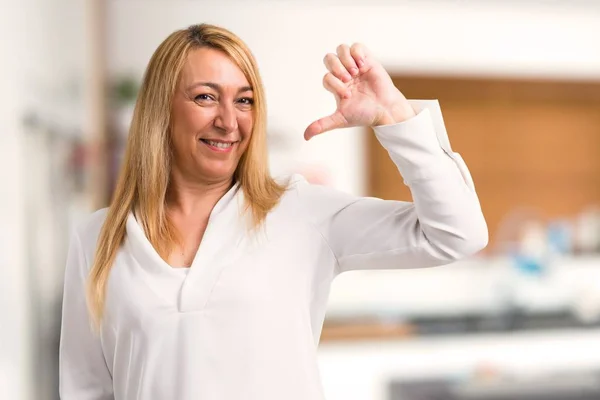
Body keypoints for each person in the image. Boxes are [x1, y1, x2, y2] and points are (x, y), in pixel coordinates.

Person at [59, 23, 487, 400]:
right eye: (206, 97)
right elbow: (86, 388)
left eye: (244, 101)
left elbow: (457, 234)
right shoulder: (98, 238)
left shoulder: (300, 213)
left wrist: (394, 116)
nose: (229, 121)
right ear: (160, 110)